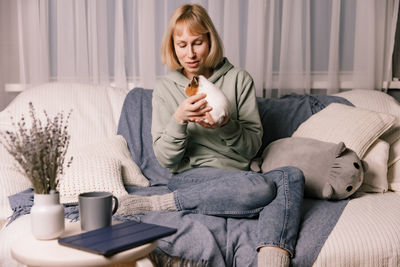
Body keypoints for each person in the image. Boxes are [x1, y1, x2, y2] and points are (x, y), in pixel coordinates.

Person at [117, 4, 305, 267]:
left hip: (239, 176)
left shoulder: (239, 79)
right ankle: (161, 203)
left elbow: (252, 148)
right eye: (182, 45)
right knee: (261, 187)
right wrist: (179, 120)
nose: (190, 54)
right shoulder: (165, 89)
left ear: (210, 40)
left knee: (291, 176)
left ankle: (272, 260)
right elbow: (166, 160)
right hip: (192, 178)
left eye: (198, 43)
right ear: (172, 46)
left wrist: (227, 125)